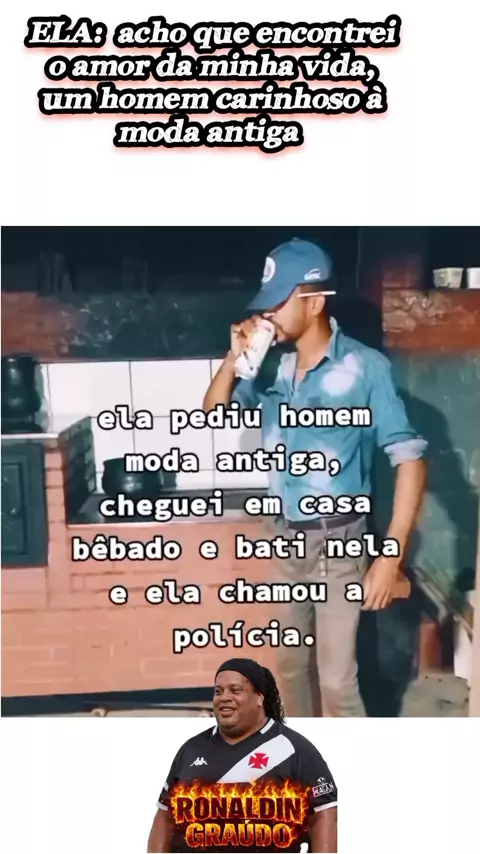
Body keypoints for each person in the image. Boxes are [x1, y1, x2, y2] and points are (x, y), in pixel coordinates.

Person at [203, 238, 428, 718]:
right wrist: (233, 358)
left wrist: (390, 557)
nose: (267, 314)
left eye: (277, 301)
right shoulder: (269, 368)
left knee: (337, 681)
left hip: (338, 542)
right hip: (282, 537)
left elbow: (410, 460)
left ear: (314, 300)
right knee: (287, 669)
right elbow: (213, 414)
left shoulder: (365, 368)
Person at [147, 658, 337, 853]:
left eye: (235, 690)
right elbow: (165, 818)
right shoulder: (191, 750)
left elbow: (323, 815)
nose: (224, 697)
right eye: (218, 691)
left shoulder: (294, 749)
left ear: (259, 698)